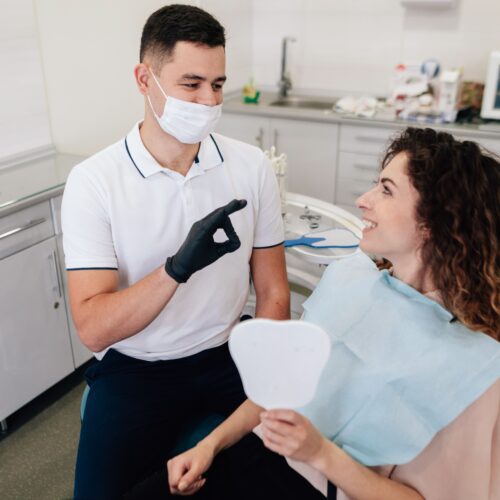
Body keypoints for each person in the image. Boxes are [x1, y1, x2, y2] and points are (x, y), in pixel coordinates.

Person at [160, 127, 499, 500]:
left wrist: (319, 452)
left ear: (432, 223)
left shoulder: (473, 369)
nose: (362, 200)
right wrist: (210, 446)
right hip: (260, 453)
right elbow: (278, 391)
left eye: (386, 190)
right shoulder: (354, 284)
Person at [61, 5, 289, 498]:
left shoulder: (250, 167)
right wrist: (176, 269)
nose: (209, 101)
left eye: (218, 84)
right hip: (136, 369)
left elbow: (274, 292)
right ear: (145, 79)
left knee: (286, 482)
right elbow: (93, 327)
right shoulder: (95, 183)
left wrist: (266, 373)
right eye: (191, 84)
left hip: (227, 356)